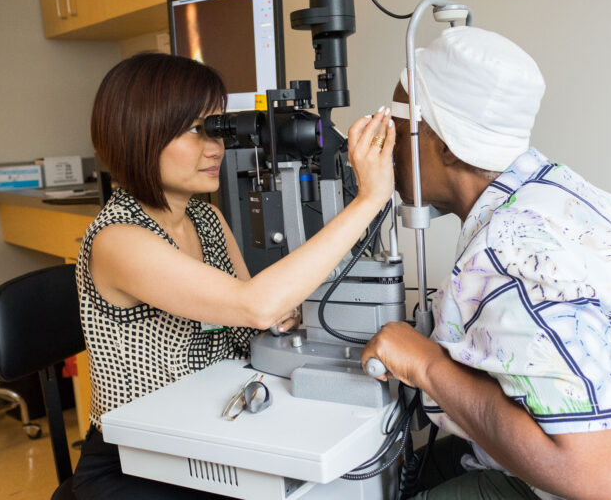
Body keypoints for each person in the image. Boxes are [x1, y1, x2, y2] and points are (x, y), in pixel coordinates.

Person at [362, 26, 611, 500]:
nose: (386, 136)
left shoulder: (506, 248)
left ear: (446, 145)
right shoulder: (552, 189)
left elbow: (605, 481)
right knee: (428, 464)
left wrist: (427, 366)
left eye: (396, 120)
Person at [72, 53, 396, 499]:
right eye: (193, 130)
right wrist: (368, 200)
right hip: (137, 461)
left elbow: (259, 312)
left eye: (216, 127)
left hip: (214, 433)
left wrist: (284, 318)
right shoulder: (118, 240)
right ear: (139, 136)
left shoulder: (207, 220)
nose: (215, 146)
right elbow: (254, 303)